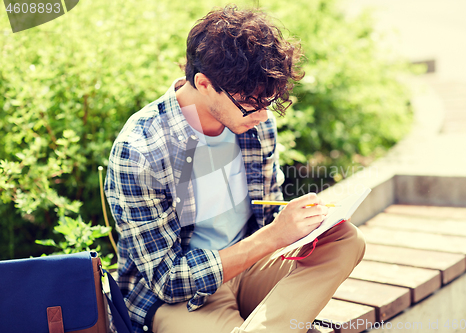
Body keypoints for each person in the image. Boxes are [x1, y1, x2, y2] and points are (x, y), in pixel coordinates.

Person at [105, 5, 365, 333]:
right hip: (183, 299)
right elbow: (167, 281)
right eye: (250, 103)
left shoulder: (256, 123)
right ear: (202, 83)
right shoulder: (141, 150)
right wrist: (273, 236)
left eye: (267, 102)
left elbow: (268, 218)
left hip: (251, 270)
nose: (262, 114)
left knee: (346, 240)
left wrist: (304, 224)